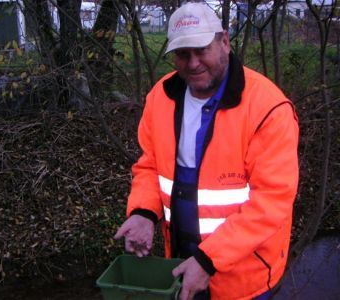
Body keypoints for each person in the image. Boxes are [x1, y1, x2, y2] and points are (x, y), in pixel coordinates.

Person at [114, 2, 299, 300]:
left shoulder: (267, 108)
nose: (193, 63)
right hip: (181, 261)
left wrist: (209, 259)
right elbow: (150, 166)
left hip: (243, 276)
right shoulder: (160, 97)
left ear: (224, 42)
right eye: (183, 54)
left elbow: (272, 201)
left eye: (202, 50)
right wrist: (143, 213)